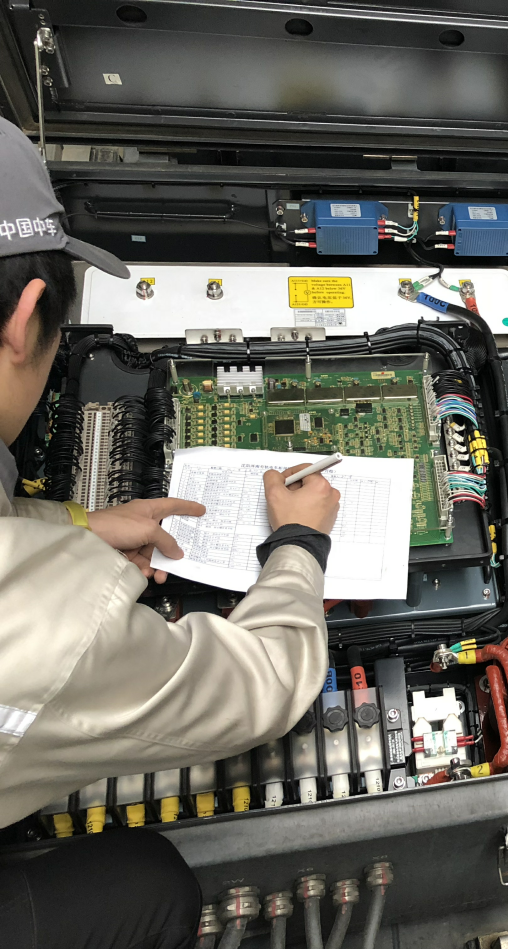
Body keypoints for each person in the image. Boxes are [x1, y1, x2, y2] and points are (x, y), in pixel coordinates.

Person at [0, 116, 340, 948]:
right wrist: (299, 545)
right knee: (150, 888)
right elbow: (266, 686)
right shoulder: (43, 626)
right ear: (25, 316)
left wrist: (73, 523)